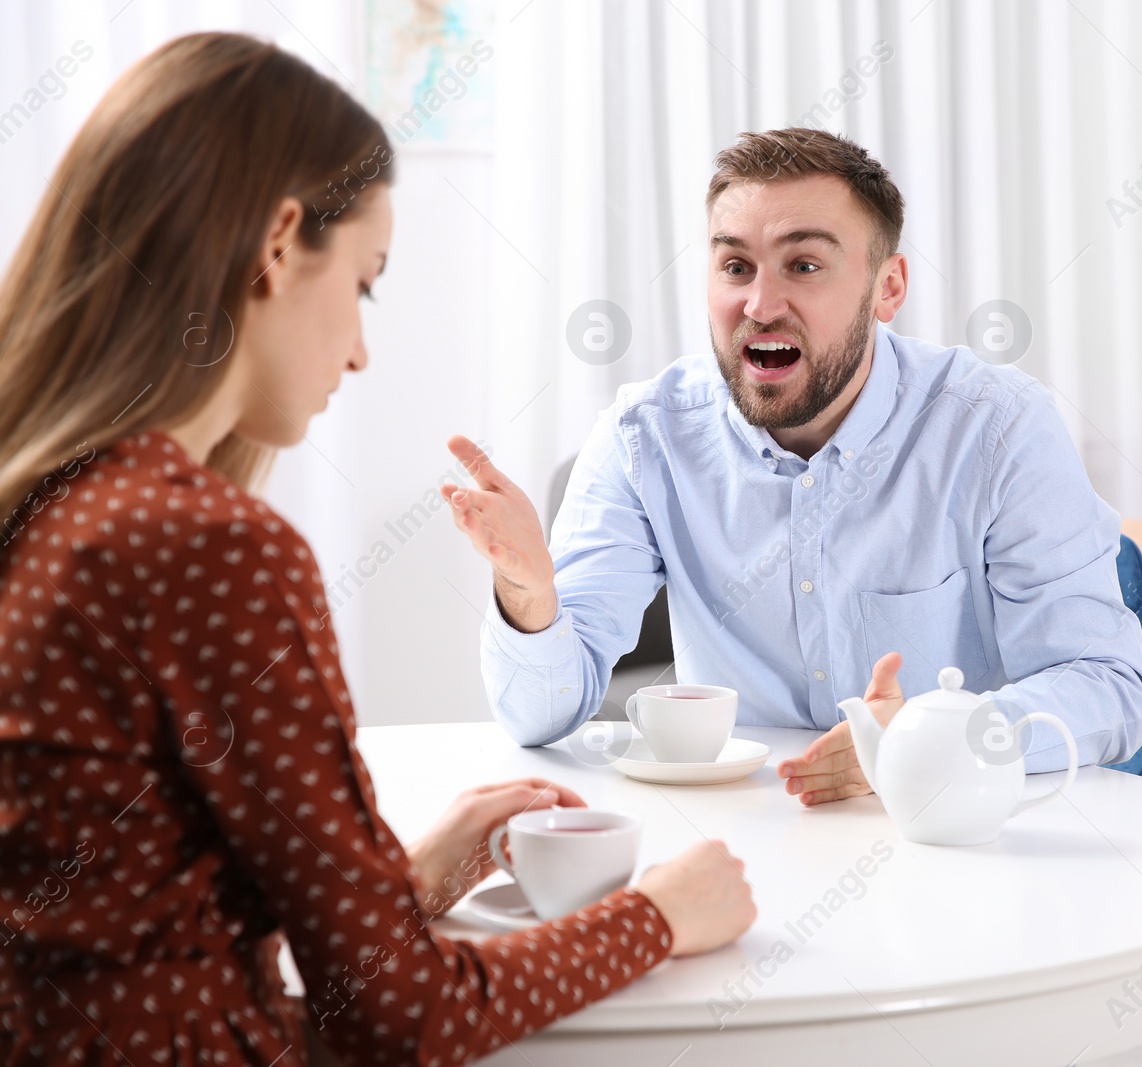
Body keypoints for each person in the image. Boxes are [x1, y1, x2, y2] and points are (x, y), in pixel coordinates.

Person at [0, 33, 753, 1067]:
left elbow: (124, 916)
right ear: (276, 244)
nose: (359, 347)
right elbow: (403, 1017)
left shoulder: (52, 509)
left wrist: (396, 875)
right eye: (365, 281)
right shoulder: (207, 546)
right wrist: (662, 915)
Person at [445, 127, 1142, 807]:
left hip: (950, 830)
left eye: (804, 265)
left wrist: (925, 742)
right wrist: (527, 593)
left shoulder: (997, 429)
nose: (759, 303)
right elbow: (539, 717)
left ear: (888, 287)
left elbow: (1108, 687)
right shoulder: (646, 439)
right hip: (746, 840)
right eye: (735, 266)